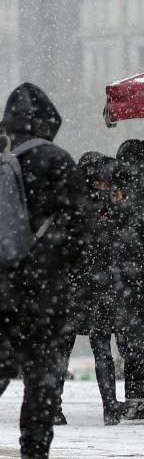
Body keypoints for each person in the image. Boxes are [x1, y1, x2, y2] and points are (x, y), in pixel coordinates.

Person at [0, 83, 86, 459]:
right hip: (41, 289)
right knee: (43, 374)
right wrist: (56, 262)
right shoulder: (55, 159)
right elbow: (80, 229)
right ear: (46, 121)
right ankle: (34, 449)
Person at [52, 152, 128, 425]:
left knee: (63, 349)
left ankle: (54, 407)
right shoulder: (106, 207)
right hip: (98, 287)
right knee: (101, 348)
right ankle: (109, 406)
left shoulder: (68, 203)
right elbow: (114, 244)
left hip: (73, 287)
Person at [114, 139, 144, 419]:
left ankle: (136, 397)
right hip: (133, 271)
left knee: (133, 337)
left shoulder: (121, 192)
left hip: (128, 277)